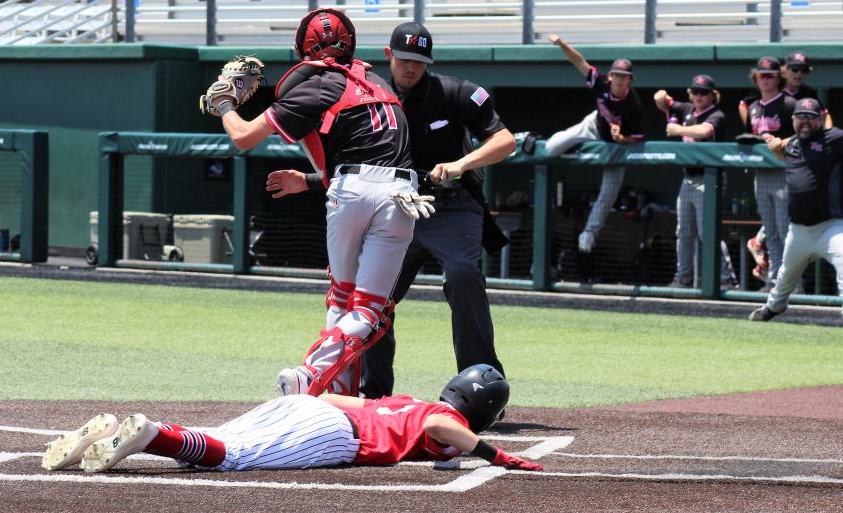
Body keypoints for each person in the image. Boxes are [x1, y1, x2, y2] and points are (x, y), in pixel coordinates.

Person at [203, 8, 433, 397]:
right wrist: (309, 180)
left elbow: (242, 137)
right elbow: (370, 150)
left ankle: (312, 378)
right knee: (369, 310)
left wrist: (224, 103)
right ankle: (332, 390)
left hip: (352, 192)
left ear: (302, 49)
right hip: (401, 196)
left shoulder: (316, 86)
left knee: (342, 297)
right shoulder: (379, 81)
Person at [358, 22, 515, 398]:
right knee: (374, 295)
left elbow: (505, 140)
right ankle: (374, 394)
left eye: (419, 60)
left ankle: (482, 387)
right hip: (396, 206)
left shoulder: (454, 92)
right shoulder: (371, 95)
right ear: (388, 55)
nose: (410, 67)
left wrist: (461, 164)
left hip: (451, 204)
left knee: (462, 276)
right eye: (403, 59)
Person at [40, 364, 543, 473]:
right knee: (229, 457)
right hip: (332, 434)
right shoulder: (442, 421)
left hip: (316, 409)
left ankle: (111, 432)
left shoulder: (403, 400)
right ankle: (151, 434)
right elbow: (442, 430)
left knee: (211, 440)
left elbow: (351, 402)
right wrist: (496, 454)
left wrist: (302, 397)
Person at [749, 98, 843, 329]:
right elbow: (784, 151)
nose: (805, 121)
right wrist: (777, 148)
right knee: (786, 275)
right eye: (801, 117)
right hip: (799, 229)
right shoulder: (793, 143)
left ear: (820, 119)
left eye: (810, 117)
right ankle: (773, 307)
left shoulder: (835, 137)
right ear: (793, 120)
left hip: (832, 225)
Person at [544, 34, 644, 254]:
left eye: (623, 76)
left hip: (615, 146)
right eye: (616, 74)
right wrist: (561, 44)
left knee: (609, 193)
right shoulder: (601, 83)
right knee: (550, 148)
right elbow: (579, 61)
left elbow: (636, 138)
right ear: (610, 76)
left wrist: (621, 138)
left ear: (630, 80)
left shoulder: (634, 103)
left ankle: (589, 234)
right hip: (592, 127)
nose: (618, 79)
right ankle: (575, 150)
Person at [654, 75, 737, 289]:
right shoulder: (686, 109)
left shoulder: (716, 114)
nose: (699, 96)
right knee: (683, 232)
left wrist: (678, 130)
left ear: (712, 95)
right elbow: (662, 101)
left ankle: (726, 280)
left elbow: (703, 131)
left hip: (709, 178)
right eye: (695, 91)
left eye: (704, 92)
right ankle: (683, 278)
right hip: (688, 178)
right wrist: (661, 97)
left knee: (707, 231)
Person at [742, 56, 797, 290]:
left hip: (783, 172)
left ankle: (794, 283)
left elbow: (804, 134)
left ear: (778, 78)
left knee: (786, 231)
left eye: (769, 75)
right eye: (761, 75)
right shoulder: (753, 107)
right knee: (771, 231)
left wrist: (781, 141)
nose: (764, 79)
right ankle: (775, 280)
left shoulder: (789, 103)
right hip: (761, 174)